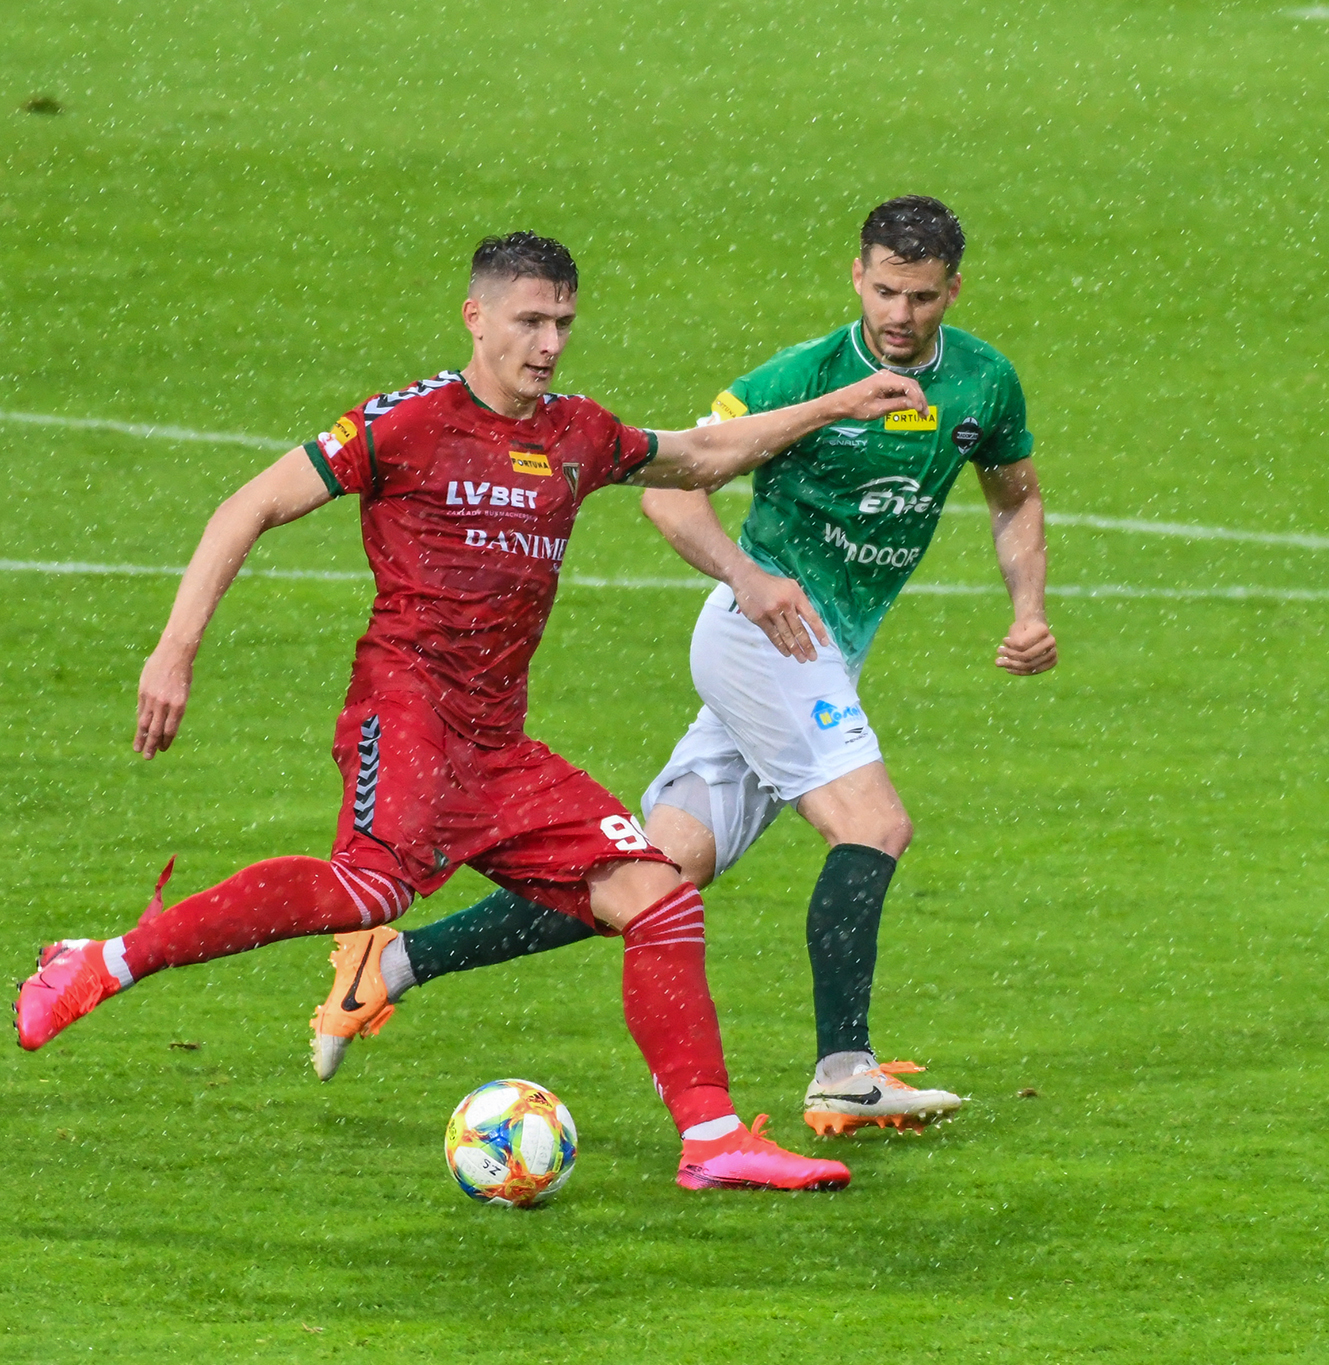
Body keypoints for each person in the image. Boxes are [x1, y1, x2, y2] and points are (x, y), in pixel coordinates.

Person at [15, 231, 931, 1193]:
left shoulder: (578, 432)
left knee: (657, 895)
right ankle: (100, 961)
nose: (550, 343)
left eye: (563, 322)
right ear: (476, 316)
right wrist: (175, 649)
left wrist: (833, 404)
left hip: (498, 744)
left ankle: (712, 1139)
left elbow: (700, 453)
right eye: (530, 321)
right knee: (369, 893)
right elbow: (248, 506)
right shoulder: (406, 422)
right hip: (407, 713)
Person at [307, 196, 1055, 1137]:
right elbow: (672, 494)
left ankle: (390, 963)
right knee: (874, 823)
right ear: (857, 276)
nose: (899, 314)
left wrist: (1029, 609)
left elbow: (1015, 497)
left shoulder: (984, 382)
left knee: (656, 875)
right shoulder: (805, 378)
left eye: (922, 297)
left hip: (822, 653)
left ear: (954, 290)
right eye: (884, 291)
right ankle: (844, 1069)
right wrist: (748, 575)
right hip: (766, 637)